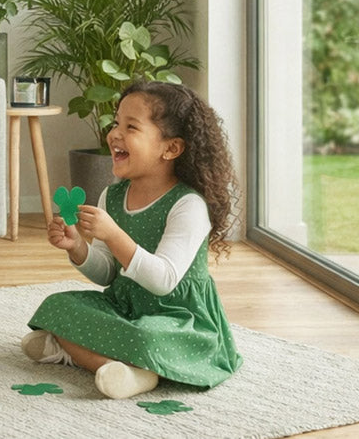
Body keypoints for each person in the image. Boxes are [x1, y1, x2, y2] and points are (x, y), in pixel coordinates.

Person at [23, 81, 243, 399]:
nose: (114, 134)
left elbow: (163, 280)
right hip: (124, 307)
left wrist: (114, 234)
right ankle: (129, 370)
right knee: (57, 306)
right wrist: (78, 248)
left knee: (148, 337)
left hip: (177, 318)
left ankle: (80, 353)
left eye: (131, 127)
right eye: (116, 123)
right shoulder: (111, 195)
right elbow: (107, 274)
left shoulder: (188, 205)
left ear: (171, 148)